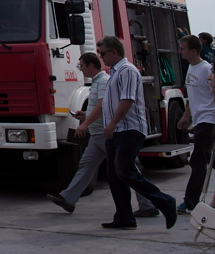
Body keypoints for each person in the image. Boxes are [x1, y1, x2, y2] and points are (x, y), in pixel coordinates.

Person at [46, 53, 156, 215]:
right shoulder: (98, 82)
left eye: (82, 66)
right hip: (97, 135)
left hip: (104, 134)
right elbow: (100, 107)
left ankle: (148, 204)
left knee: (128, 169)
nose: (80, 69)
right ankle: (68, 198)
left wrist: (85, 124)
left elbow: (102, 105)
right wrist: (85, 114)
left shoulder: (103, 81)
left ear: (91, 66)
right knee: (87, 165)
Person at [96, 36, 178, 229]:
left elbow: (127, 100)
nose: (102, 58)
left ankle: (166, 202)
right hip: (116, 131)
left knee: (125, 170)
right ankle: (124, 217)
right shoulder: (114, 72)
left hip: (128, 129)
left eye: (103, 54)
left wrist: (113, 123)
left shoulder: (127, 71)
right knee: (115, 175)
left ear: (114, 52)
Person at [177, 34, 215, 214]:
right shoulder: (191, 69)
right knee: (202, 161)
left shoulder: (206, 69)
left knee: (198, 162)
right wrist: (185, 117)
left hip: (209, 121)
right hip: (199, 121)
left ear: (193, 51)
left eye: (182, 48)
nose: (180, 51)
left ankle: (191, 202)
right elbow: (193, 98)